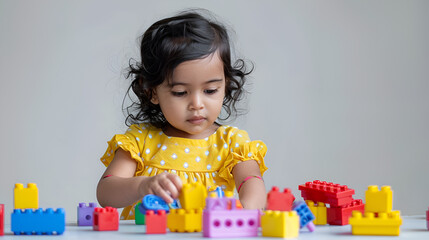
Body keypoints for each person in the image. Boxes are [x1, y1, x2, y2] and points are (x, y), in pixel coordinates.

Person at [97, 9, 268, 220]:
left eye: (210, 90)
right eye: (180, 92)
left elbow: (251, 181)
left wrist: (250, 207)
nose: (197, 104)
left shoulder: (231, 143)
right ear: (151, 91)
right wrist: (142, 186)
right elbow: (106, 192)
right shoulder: (140, 142)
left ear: (226, 84)